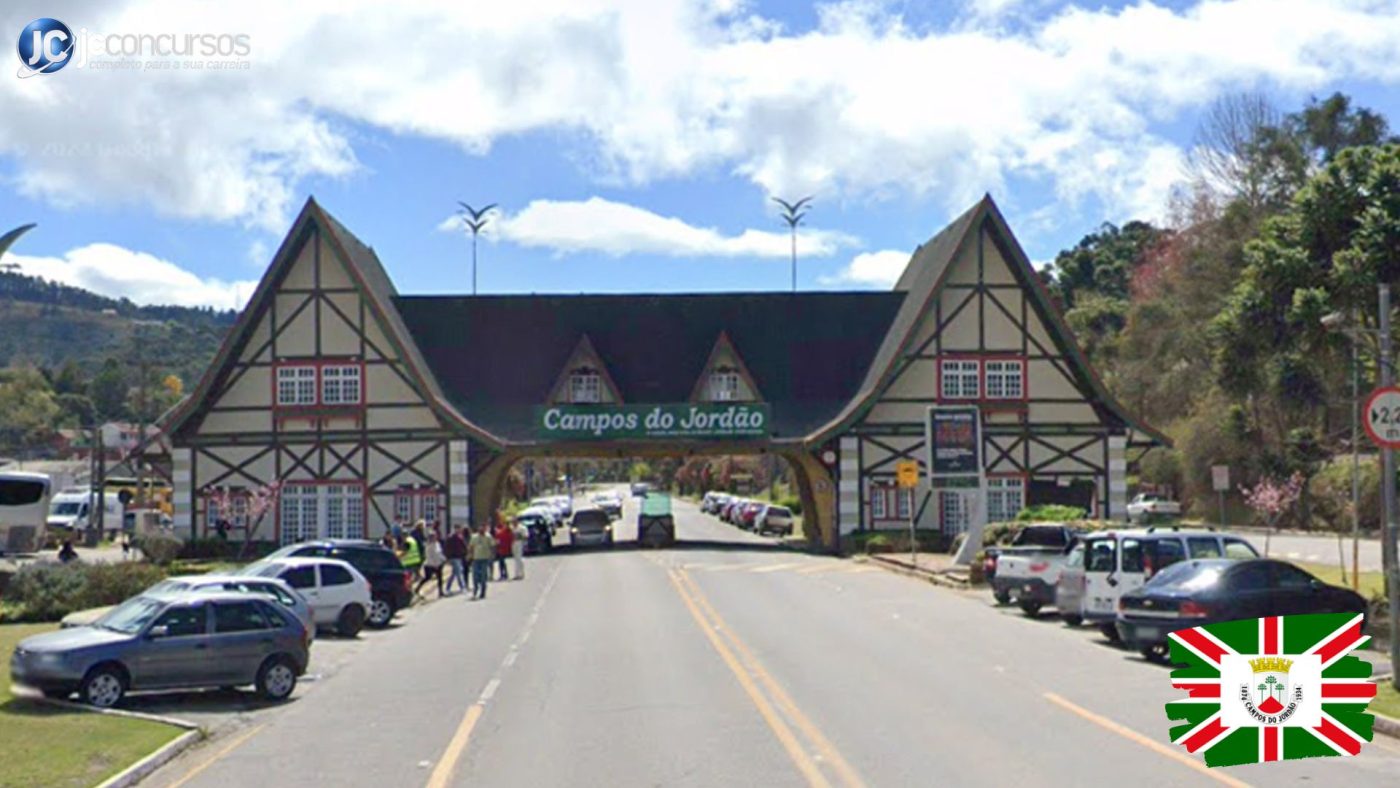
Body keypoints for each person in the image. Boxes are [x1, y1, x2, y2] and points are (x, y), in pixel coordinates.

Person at [468, 523, 496, 600]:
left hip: (485, 559)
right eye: (481, 528)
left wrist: (492, 555)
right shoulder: (474, 537)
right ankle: (475, 590)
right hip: (476, 559)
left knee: (484, 576)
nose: (482, 529)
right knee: (475, 576)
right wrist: (470, 555)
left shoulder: (488, 537)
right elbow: (471, 547)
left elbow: (492, 546)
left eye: (484, 528)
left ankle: (483, 592)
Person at [418, 531, 447, 598]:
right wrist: (434, 565)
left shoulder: (437, 544)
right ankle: (418, 588)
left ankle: (440, 592)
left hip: (438, 563)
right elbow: (429, 557)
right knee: (427, 578)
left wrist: (444, 559)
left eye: (435, 536)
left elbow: (439, 553)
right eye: (433, 537)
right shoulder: (429, 546)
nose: (435, 538)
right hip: (429, 565)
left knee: (440, 578)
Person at [443, 526, 468, 595]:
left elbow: (464, 546)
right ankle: (462, 587)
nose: (458, 530)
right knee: (459, 572)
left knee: (454, 573)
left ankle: (447, 588)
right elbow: (446, 547)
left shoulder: (459, 537)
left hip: (458, 557)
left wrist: (465, 553)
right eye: (457, 529)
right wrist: (447, 556)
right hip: (454, 557)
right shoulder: (451, 537)